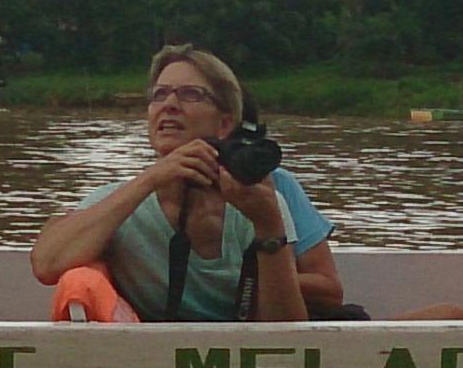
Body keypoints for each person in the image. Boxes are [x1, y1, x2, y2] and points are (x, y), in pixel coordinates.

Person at [30, 45, 308, 322]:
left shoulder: (256, 200)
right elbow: (46, 264)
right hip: (148, 355)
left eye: (190, 95)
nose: (169, 105)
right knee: (79, 279)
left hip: (236, 356)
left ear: (224, 124)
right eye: (159, 95)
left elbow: (289, 333)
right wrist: (152, 177)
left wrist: (269, 226)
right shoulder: (123, 201)